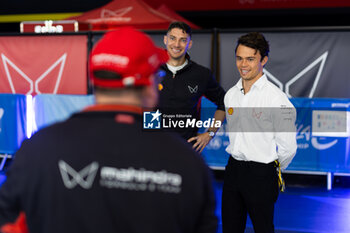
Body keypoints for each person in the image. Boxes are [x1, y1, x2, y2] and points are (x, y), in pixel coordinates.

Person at [0, 27, 218, 233]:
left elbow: (7, 221)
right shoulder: (187, 162)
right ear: (150, 84)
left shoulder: (39, 147)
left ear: (94, 78)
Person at [222, 32, 297, 233]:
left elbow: (288, 147)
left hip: (261, 174)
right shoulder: (230, 95)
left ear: (264, 60)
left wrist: (270, 169)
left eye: (250, 59)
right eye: (239, 58)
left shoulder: (276, 99)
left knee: (263, 229)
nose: (243, 64)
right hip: (233, 170)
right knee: (230, 228)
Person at [158, 21, 226, 153]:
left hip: (185, 151)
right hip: (152, 149)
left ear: (189, 44)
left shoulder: (201, 74)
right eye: (172, 38)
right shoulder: (151, 69)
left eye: (183, 40)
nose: (176, 44)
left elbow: (224, 103)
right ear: (165, 40)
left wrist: (210, 134)